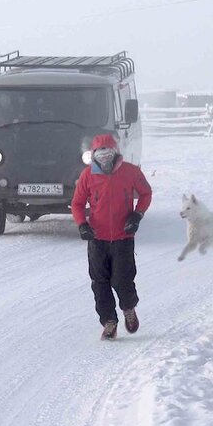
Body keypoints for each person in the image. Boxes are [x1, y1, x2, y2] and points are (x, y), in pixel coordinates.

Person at [71, 134, 153, 340]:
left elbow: (146, 193)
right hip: (97, 238)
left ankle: (128, 308)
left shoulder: (130, 172)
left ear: (116, 153)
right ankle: (109, 321)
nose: (105, 159)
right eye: (101, 154)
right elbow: (77, 204)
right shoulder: (87, 176)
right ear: (94, 156)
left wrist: (137, 214)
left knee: (122, 279)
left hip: (123, 237)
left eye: (109, 154)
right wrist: (82, 225)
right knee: (99, 282)